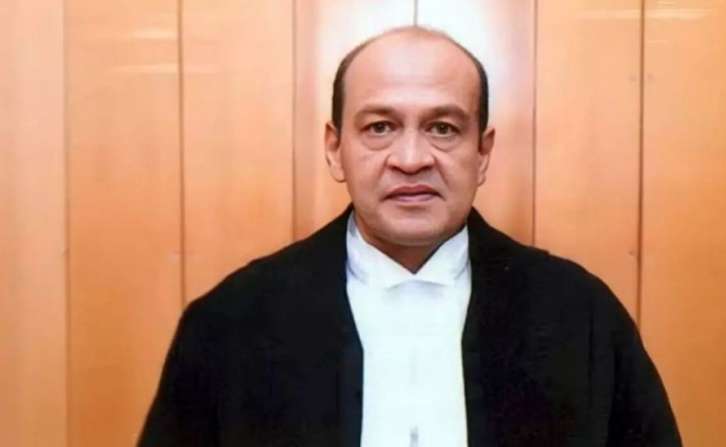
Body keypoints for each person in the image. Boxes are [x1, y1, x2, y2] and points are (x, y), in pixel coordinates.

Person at [139, 26, 681, 447]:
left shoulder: (579, 314)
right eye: (380, 127)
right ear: (335, 149)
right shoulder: (231, 321)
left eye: (443, 128)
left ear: (482, 153)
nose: (412, 158)